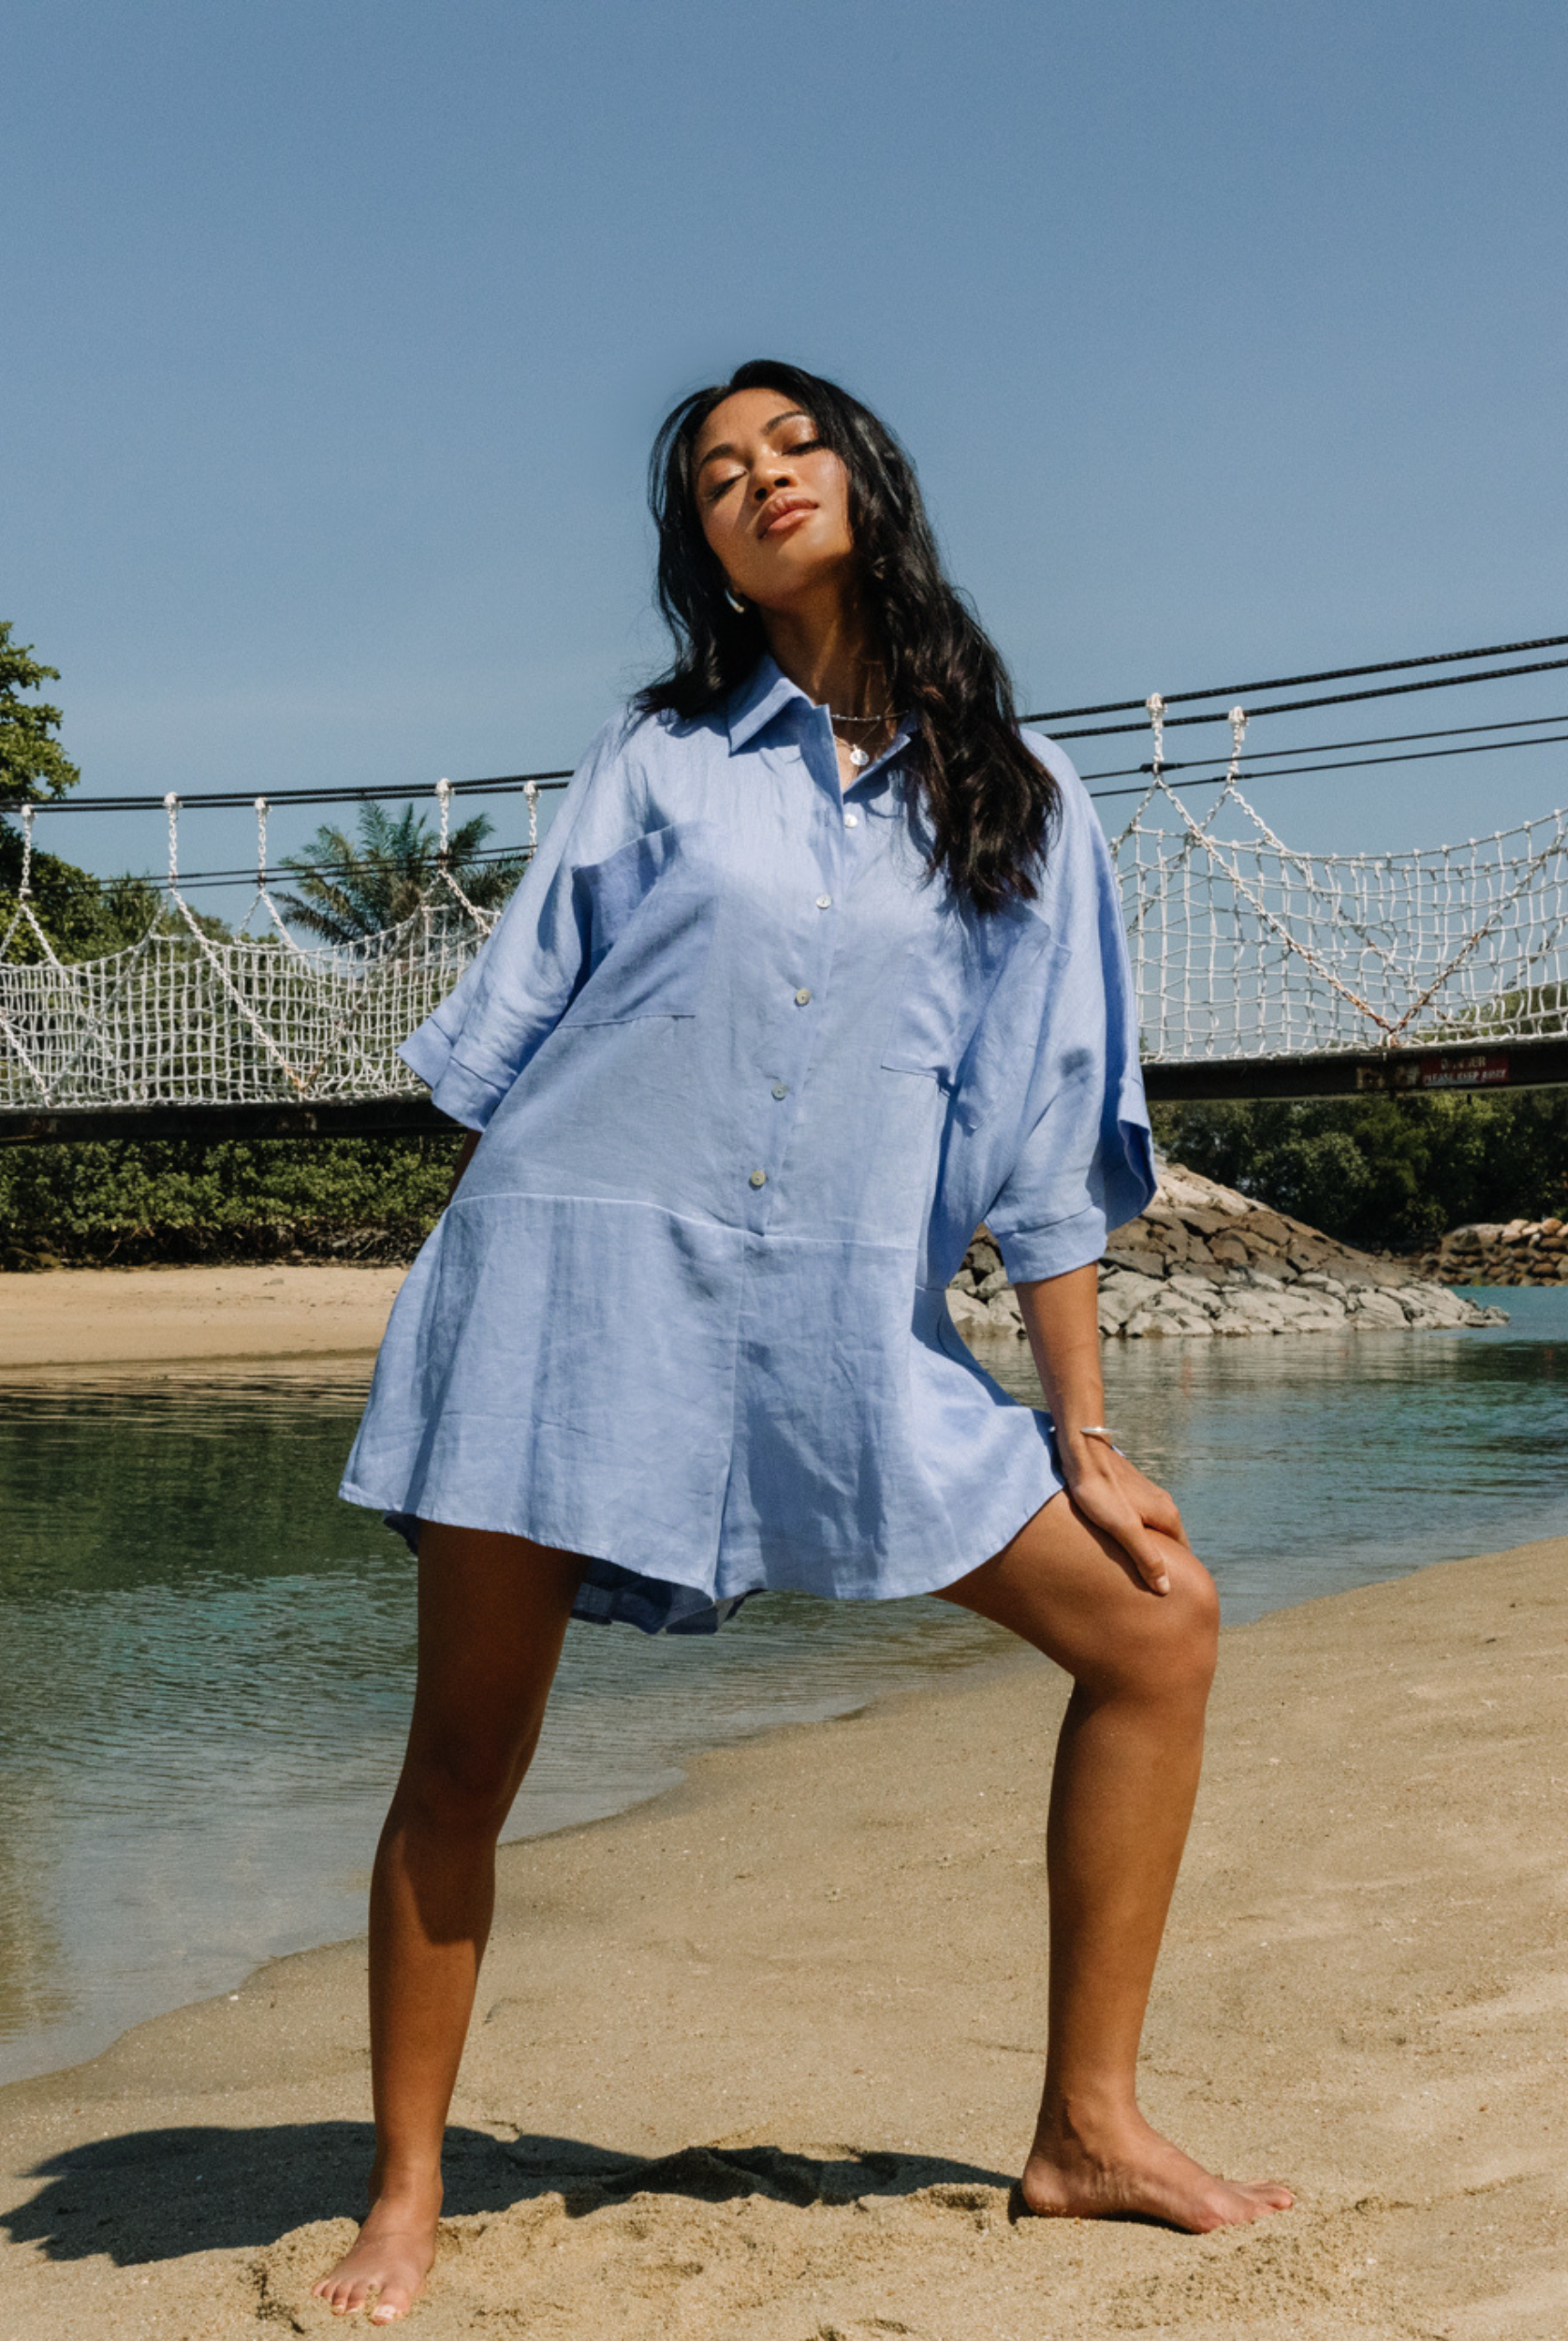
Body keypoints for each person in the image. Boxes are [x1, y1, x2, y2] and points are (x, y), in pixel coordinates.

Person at [313, 361, 1291, 2323]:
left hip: (838, 1326)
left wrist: (1082, 1423)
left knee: (1158, 1623)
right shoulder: (656, 754)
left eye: (791, 448)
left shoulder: (1019, 790)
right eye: (714, 477)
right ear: (702, 547)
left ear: (863, 476)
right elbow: (517, 1048)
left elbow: (1042, 1132)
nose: (757, 481)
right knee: (465, 1756)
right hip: (572, 1295)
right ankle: (404, 2193)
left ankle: (1089, 2125)